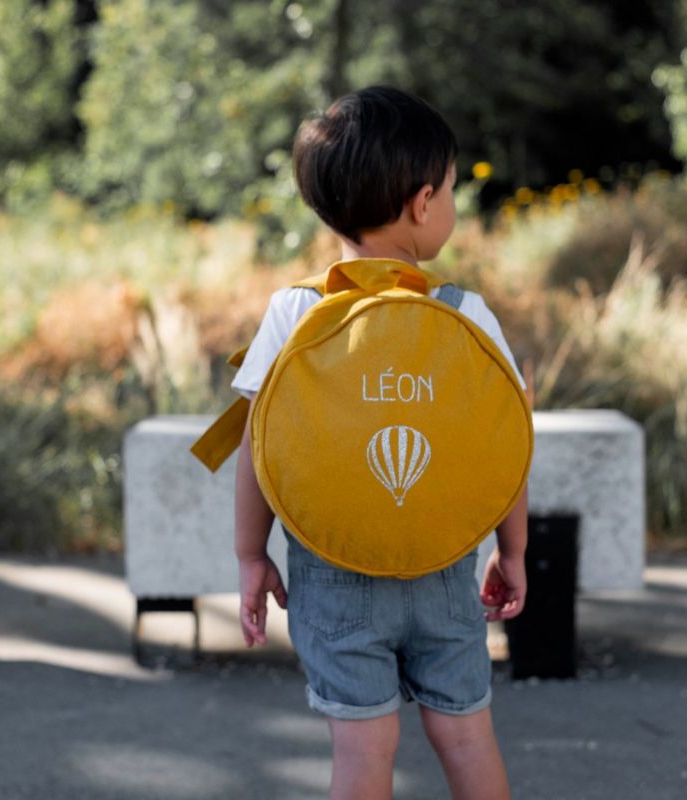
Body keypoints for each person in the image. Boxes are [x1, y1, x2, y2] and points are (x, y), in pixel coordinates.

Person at [232, 85, 528, 800]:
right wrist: (512, 549)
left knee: (363, 754)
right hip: (444, 571)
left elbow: (257, 446)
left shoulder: (295, 310)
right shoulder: (466, 313)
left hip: (331, 576)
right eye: (453, 190)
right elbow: (508, 444)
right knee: (465, 735)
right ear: (424, 203)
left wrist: (251, 555)